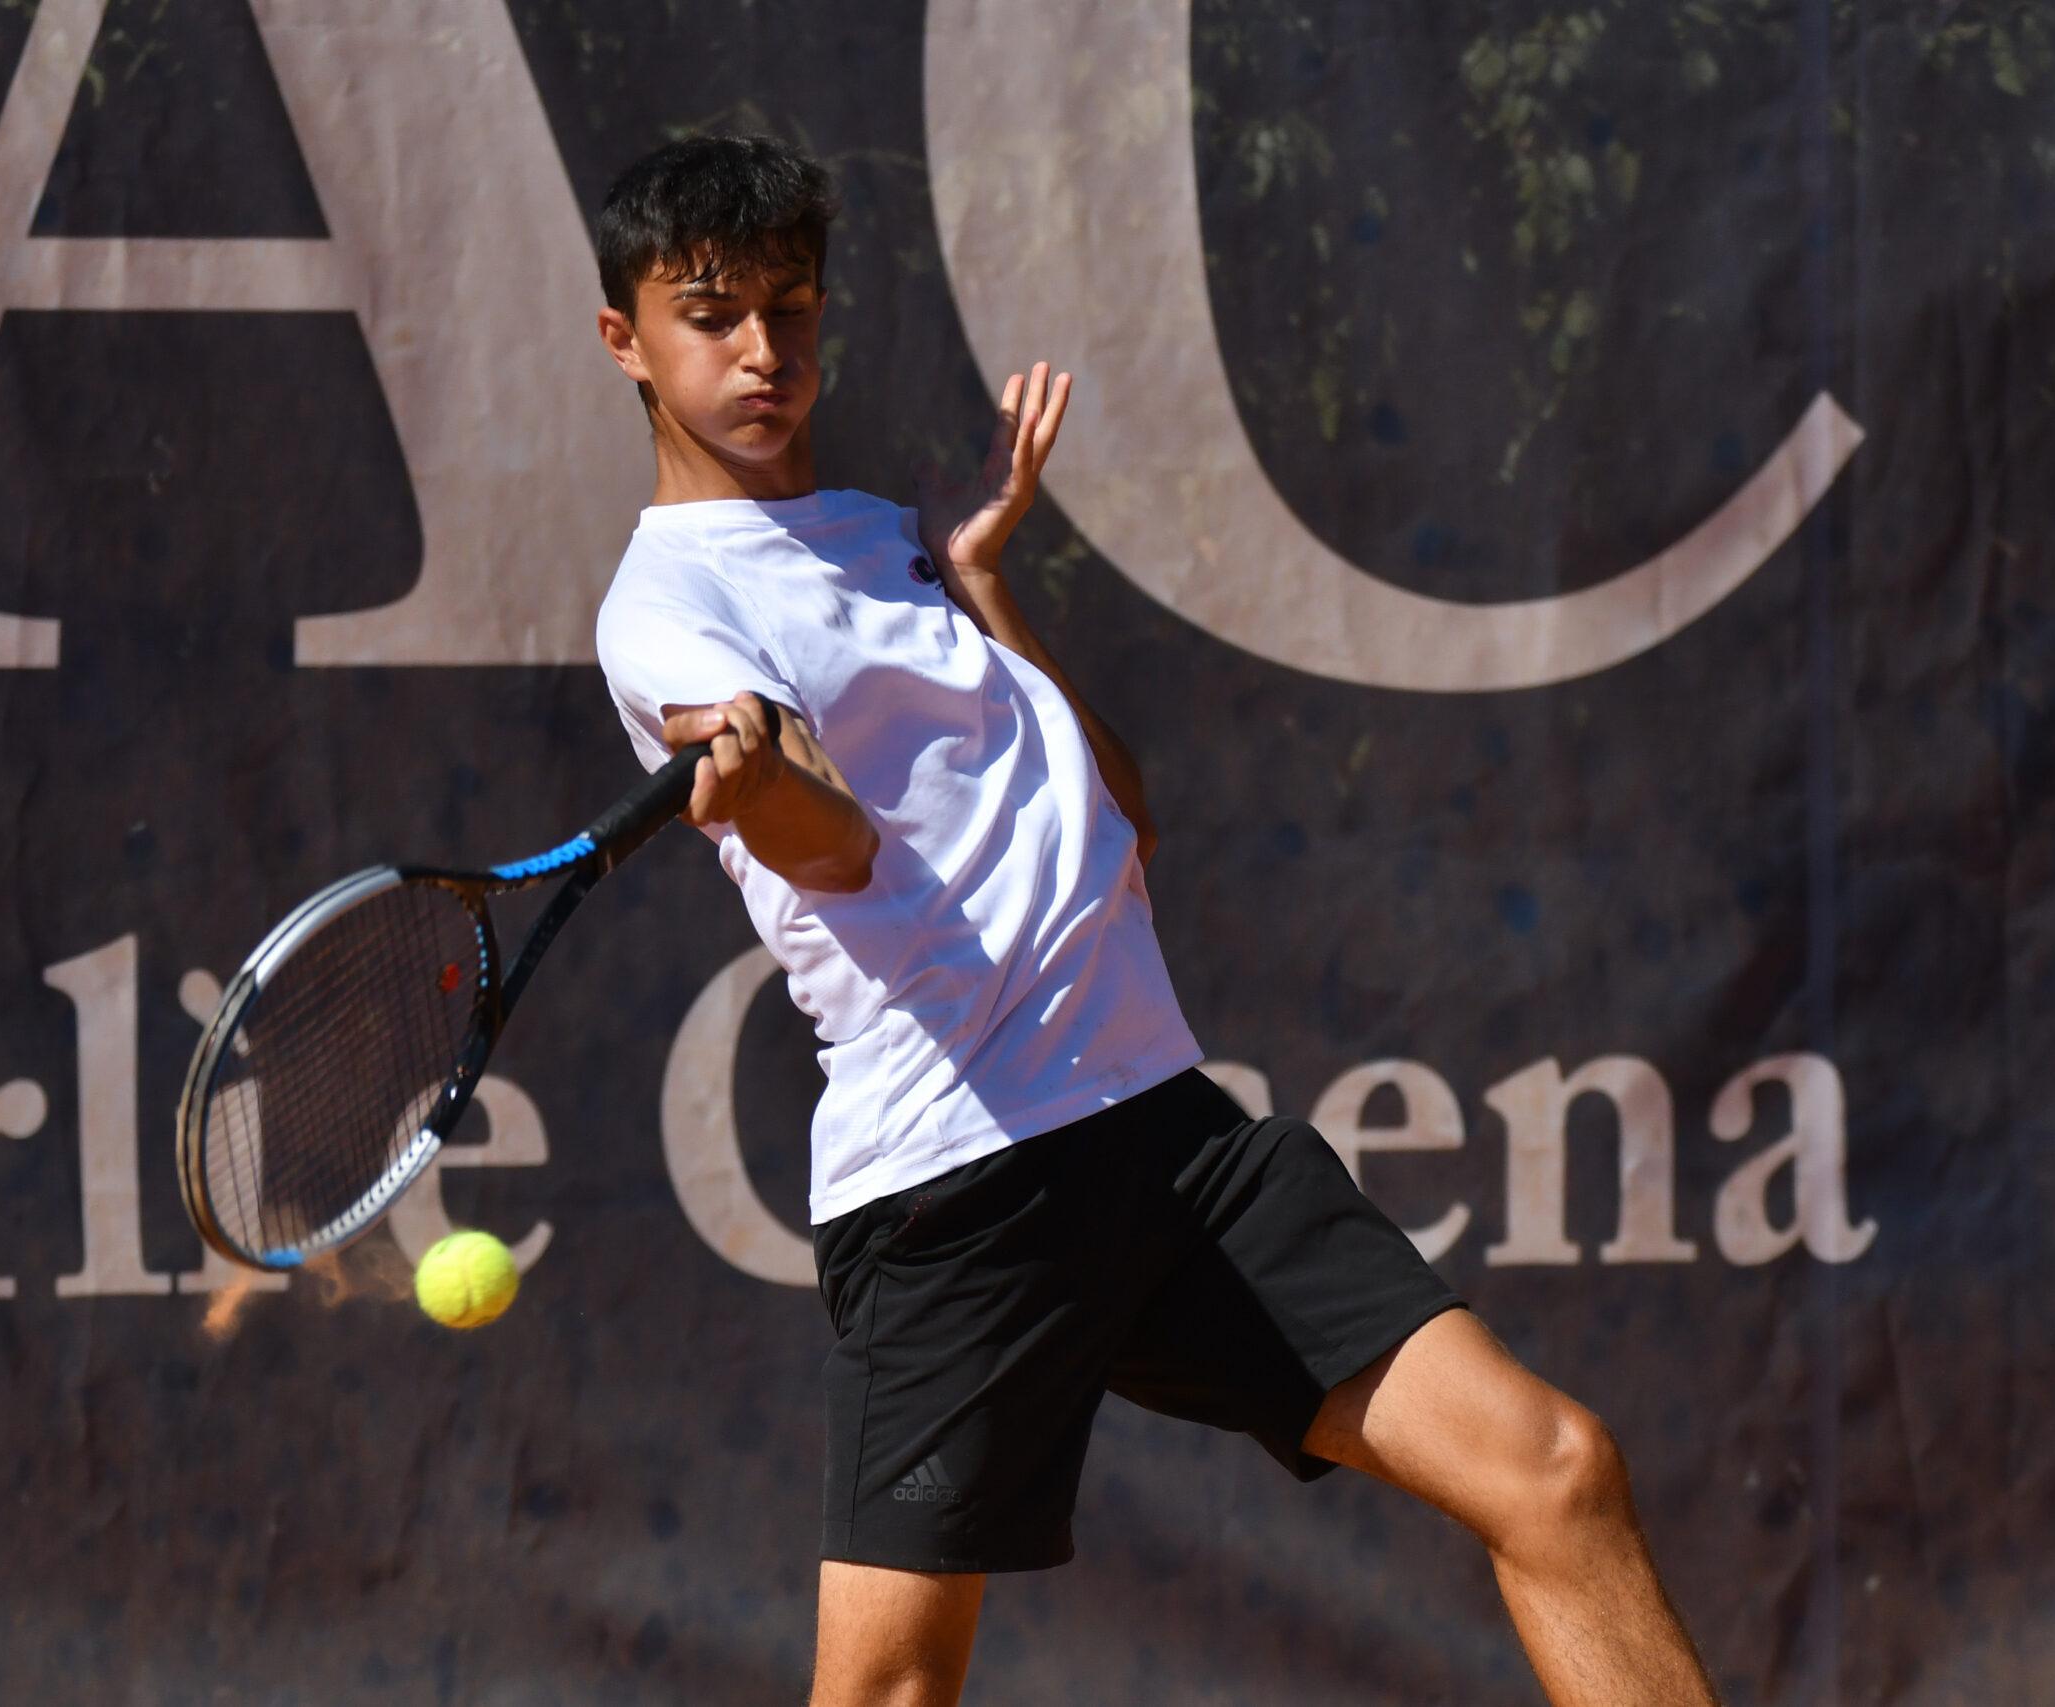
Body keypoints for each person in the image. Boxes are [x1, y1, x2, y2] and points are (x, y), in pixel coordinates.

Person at [589, 133, 1719, 1707]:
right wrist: (760, 784)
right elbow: (834, 852)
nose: (762, 351)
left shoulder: (882, 535)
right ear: (626, 341)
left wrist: (982, 582)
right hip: (959, 1183)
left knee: (1555, 1472)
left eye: (791, 306)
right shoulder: (665, 609)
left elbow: (1121, 809)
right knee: (891, 1693)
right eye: (711, 316)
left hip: (1162, 1132)